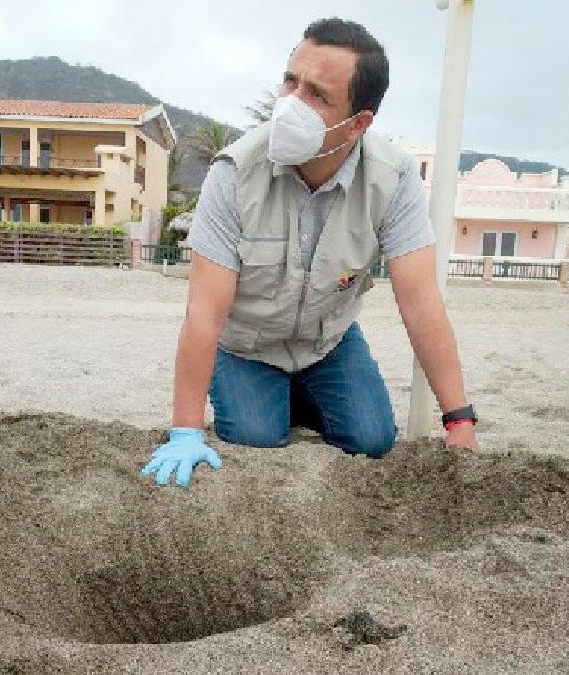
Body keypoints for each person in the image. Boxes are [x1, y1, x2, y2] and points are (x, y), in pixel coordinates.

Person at [141, 18, 479, 488]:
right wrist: (185, 432)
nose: (291, 104)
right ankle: (271, 395)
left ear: (359, 123)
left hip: (327, 342)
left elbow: (420, 302)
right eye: (290, 81)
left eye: (317, 95)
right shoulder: (234, 173)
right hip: (247, 345)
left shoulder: (393, 179)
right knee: (254, 435)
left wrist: (458, 419)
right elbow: (204, 312)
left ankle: (300, 391)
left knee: (373, 439)